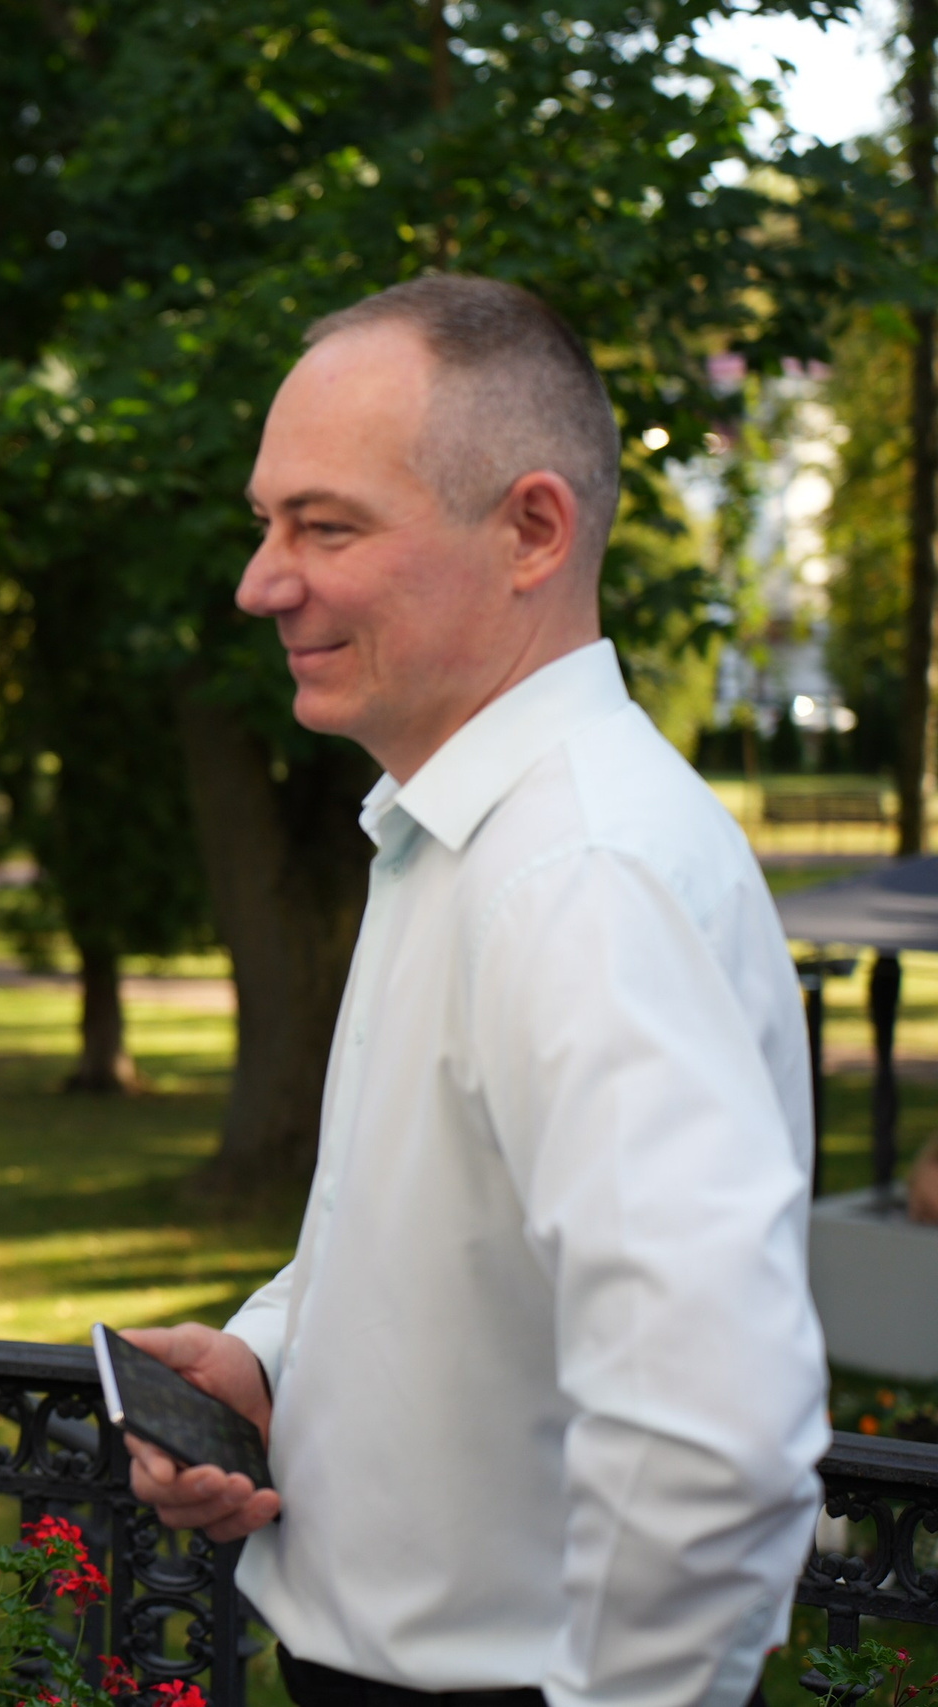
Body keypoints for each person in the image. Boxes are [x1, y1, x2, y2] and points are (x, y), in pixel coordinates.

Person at [123, 276, 826, 1706]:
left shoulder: (580, 874)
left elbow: (714, 1436)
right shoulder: (463, 832)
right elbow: (446, 1233)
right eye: (265, 523)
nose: (263, 579)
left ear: (532, 529)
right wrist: (269, 1357)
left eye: (325, 526)